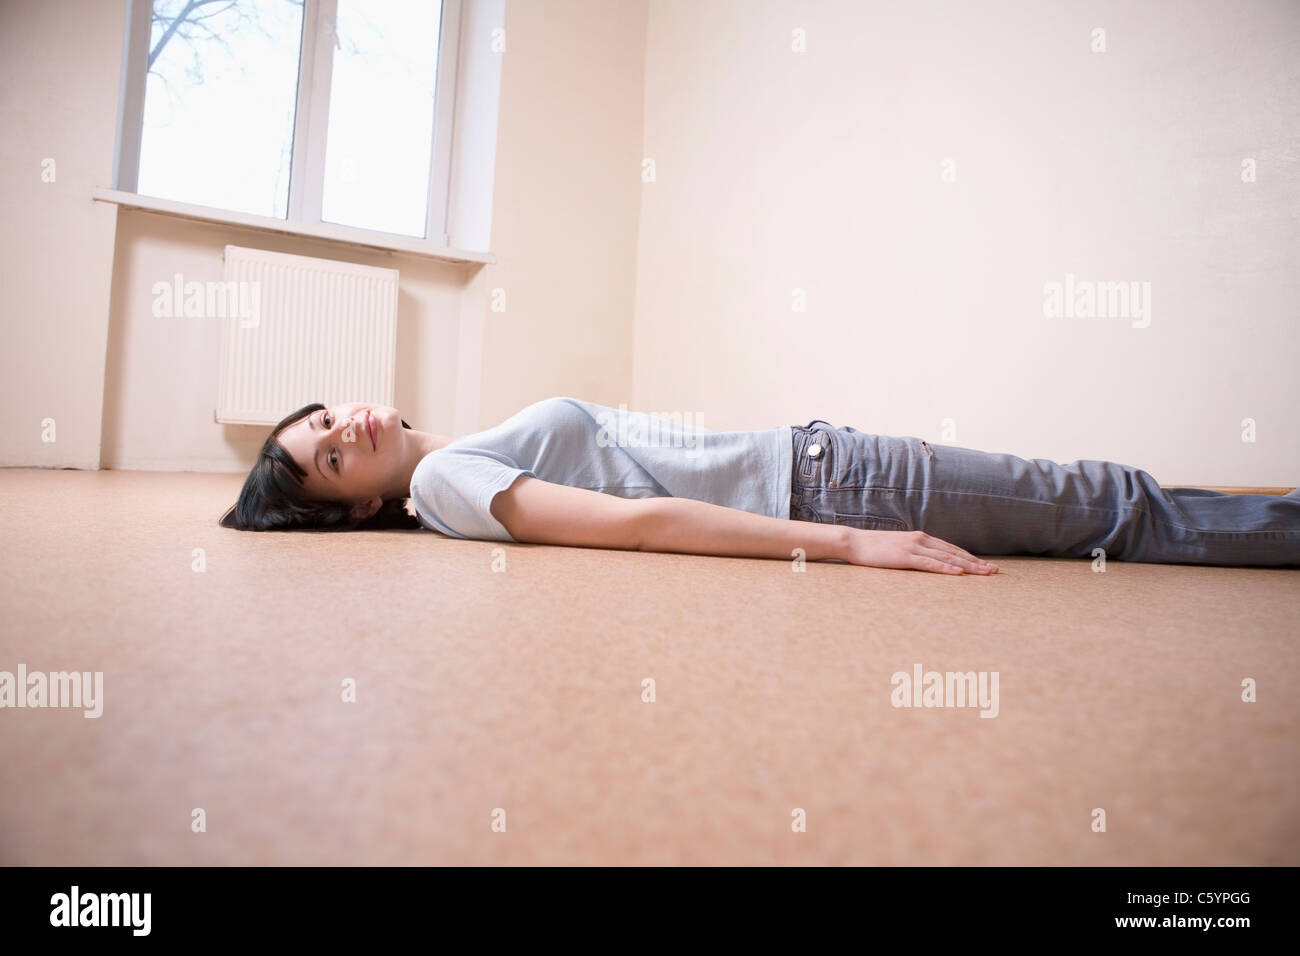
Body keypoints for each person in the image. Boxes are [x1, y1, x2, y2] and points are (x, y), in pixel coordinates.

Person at [219, 397, 1300, 574]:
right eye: (330, 458)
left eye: (323, 420)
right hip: (829, 490)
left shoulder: (458, 453)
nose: (341, 429)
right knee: (1105, 504)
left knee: (1100, 504)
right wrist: (847, 544)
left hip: (819, 466)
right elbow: (634, 525)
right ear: (358, 502)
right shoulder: (453, 477)